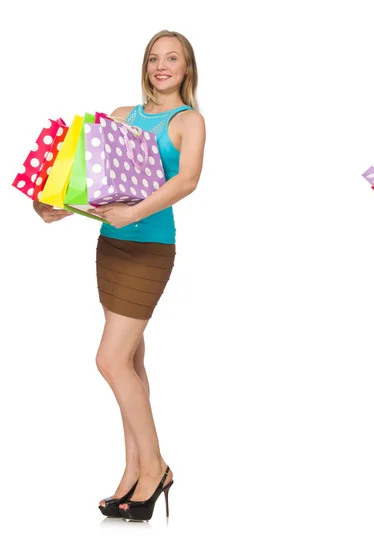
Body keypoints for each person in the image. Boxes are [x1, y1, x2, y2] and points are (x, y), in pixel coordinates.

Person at [33, 29, 206, 521]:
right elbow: (93, 182)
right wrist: (57, 206)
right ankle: (133, 471)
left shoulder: (188, 121)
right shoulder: (120, 117)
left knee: (109, 360)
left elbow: (187, 180)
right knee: (129, 360)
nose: (162, 65)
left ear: (187, 68)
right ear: (146, 66)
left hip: (150, 249)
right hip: (111, 247)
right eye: (155, 58)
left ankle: (156, 468)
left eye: (173, 58)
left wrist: (136, 213)